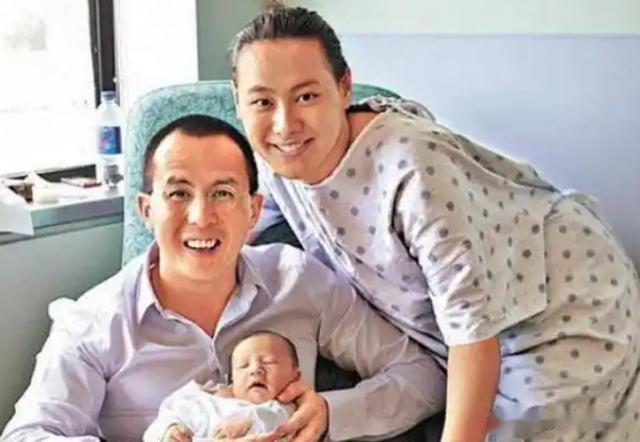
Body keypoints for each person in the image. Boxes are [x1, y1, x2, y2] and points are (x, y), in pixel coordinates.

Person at [228, 6, 640, 441]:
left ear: (344, 86)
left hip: (559, 297)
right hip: (465, 323)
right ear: (239, 101)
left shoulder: (413, 171)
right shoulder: (273, 161)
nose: (285, 124)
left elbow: (472, 333)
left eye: (307, 96)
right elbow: (235, 230)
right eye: (263, 101)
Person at [0, 115, 445, 442]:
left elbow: (425, 375)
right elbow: (28, 435)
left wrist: (330, 413)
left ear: (253, 210)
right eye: (178, 193)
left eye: (223, 193)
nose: (201, 216)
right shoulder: (94, 322)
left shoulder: (298, 281)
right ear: (147, 210)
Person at [144, 331, 299, 442]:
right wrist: (169, 430)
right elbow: (157, 426)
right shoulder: (192, 398)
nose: (255, 370)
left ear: (295, 375)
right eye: (244, 365)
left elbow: (276, 422)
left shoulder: (284, 407)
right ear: (232, 379)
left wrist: (251, 422)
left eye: (269, 362)